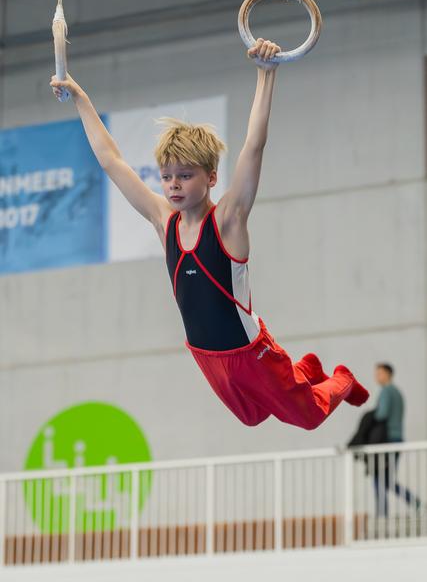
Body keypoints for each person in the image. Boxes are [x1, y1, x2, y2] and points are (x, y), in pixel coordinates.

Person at [50, 37, 369, 430]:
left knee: (308, 417)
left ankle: (340, 379)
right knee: (252, 416)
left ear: (212, 177)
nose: (173, 186)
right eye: (167, 177)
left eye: (185, 176)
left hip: (250, 352)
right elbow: (111, 159)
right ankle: (305, 371)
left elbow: (254, 147)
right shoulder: (162, 219)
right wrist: (80, 96)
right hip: (205, 355)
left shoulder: (228, 221)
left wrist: (266, 75)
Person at [372, 363, 420, 516]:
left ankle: (382, 515)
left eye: (379, 373)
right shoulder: (397, 393)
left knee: (379, 478)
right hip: (397, 439)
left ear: (387, 374)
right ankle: (416, 503)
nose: (376, 376)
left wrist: (370, 419)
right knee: (386, 480)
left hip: (388, 441)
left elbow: (382, 414)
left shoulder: (386, 391)